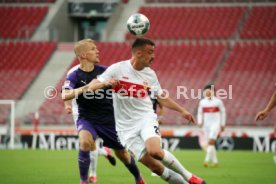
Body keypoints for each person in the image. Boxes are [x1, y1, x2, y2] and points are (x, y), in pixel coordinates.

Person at [88, 38, 206, 184]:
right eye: (150, 52)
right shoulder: (117, 69)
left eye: (153, 52)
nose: (153, 56)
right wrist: (106, 83)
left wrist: (182, 110)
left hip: (145, 118)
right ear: (139, 53)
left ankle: (190, 177)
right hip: (125, 128)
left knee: (155, 151)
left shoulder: (150, 74)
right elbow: (91, 87)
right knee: (156, 168)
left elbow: (161, 97)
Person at [61, 39, 145, 184]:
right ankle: (84, 181)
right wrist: (88, 87)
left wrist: (116, 84)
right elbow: (65, 95)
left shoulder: (105, 71)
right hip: (87, 118)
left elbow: (125, 82)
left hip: (109, 120)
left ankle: (139, 178)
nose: (97, 51)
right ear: (83, 55)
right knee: (85, 142)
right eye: (93, 49)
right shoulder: (74, 75)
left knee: (123, 154)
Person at [64, 99, 116, 183]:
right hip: (78, 112)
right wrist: (67, 105)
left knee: (89, 142)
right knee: (88, 143)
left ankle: (92, 175)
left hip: (92, 110)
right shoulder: (72, 85)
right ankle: (104, 152)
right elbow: (65, 89)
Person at [197, 84, 226, 167]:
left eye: (209, 91)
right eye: (206, 91)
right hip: (206, 125)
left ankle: (206, 160)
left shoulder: (218, 102)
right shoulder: (202, 102)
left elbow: (223, 112)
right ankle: (215, 161)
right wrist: (199, 122)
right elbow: (199, 113)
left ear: (213, 92)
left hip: (215, 124)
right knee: (210, 144)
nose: (207, 92)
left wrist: (222, 124)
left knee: (211, 141)